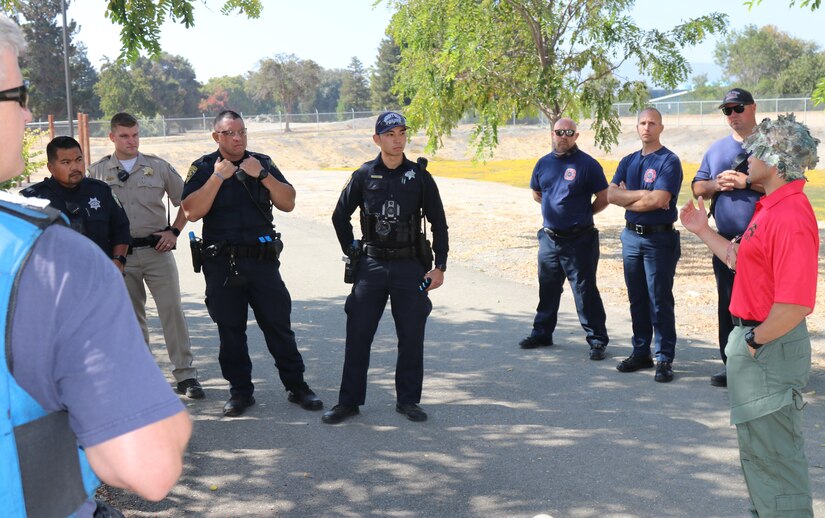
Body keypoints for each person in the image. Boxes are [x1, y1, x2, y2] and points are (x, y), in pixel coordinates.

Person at [0, 13, 190, 517]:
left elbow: (140, 221)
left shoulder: (98, 193)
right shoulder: (43, 256)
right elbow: (150, 467)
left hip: (137, 258)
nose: (26, 113)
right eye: (18, 98)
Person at [680, 113, 819, 517]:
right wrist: (701, 230)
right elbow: (741, 260)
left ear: (775, 163)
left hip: (769, 345)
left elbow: (795, 304)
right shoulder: (770, 207)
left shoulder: (790, 216)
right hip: (755, 341)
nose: (747, 160)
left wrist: (755, 341)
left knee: (775, 462)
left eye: (756, 153)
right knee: (759, 458)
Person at [181, 110, 322, 418]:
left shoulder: (262, 162)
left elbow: (288, 202)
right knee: (230, 331)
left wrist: (263, 175)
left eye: (242, 132)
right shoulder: (204, 167)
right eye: (230, 133)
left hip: (262, 263)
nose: (238, 138)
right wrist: (219, 176)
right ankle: (240, 392)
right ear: (216, 136)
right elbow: (191, 211)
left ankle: (297, 386)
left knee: (279, 326)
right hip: (223, 264)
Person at [323, 111, 449, 425]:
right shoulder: (364, 175)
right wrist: (351, 250)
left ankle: (408, 401)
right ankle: (348, 402)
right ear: (377, 139)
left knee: (411, 335)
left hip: (410, 267)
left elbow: (439, 224)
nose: (397, 139)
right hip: (372, 265)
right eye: (390, 134)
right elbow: (340, 217)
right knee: (358, 334)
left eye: (402, 133)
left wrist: (440, 266)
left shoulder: (419, 176)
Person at [89, 112, 203, 400]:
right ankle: (142, 376)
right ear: (112, 137)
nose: (131, 141)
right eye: (125, 136)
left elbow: (188, 202)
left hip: (157, 251)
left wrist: (174, 232)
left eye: (135, 135)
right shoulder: (98, 172)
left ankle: (186, 375)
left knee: (172, 311)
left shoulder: (158, 167)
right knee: (131, 317)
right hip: (120, 256)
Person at [519, 117, 610, 360]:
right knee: (547, 288)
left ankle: (597, 339)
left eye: (569, 132)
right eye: (559, 132)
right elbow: (537, 193)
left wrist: (583, 214)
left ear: (576, 136)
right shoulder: (543, 164)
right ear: (552, 134)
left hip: (579, 240)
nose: (563, 136)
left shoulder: (588, 165)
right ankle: (542, 333)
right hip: (549, 239)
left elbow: (604, 197)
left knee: (584, 290)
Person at [691, 88, 762, 388]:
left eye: (738, 108)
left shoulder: (771, 145)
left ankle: (762, 367)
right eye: (727, 110)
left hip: (762, 243)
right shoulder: (717, 149)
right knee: (729, 305)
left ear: (753, 107)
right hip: (725, 243)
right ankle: (731, 364)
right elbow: (696, 187)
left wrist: (747, 182)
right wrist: (715, 184)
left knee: (761, 306)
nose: (733, 115)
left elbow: (790, 183)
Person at [607, 107, 682, 383]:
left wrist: (629, 196)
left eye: (652, 123)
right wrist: (640, 195)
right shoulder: (628, 161)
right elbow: (611, 194)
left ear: (661, 127)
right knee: (637, 297)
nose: (647, 127)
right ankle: (641, 352)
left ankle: (664, 357)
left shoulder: (669, 161)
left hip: (658, 239)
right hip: (631, 237)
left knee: (659, 299)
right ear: (636, 127)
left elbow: (659, 199)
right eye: (642, 123)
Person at [21, 136, 131, 274]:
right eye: (66, 162)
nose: (75, 167)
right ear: (51, 168)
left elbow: (121, 229)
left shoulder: (101, 190)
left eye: (79, 160)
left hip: (101, 274)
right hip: (57, 281)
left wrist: (118, 262)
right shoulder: (34, 199)